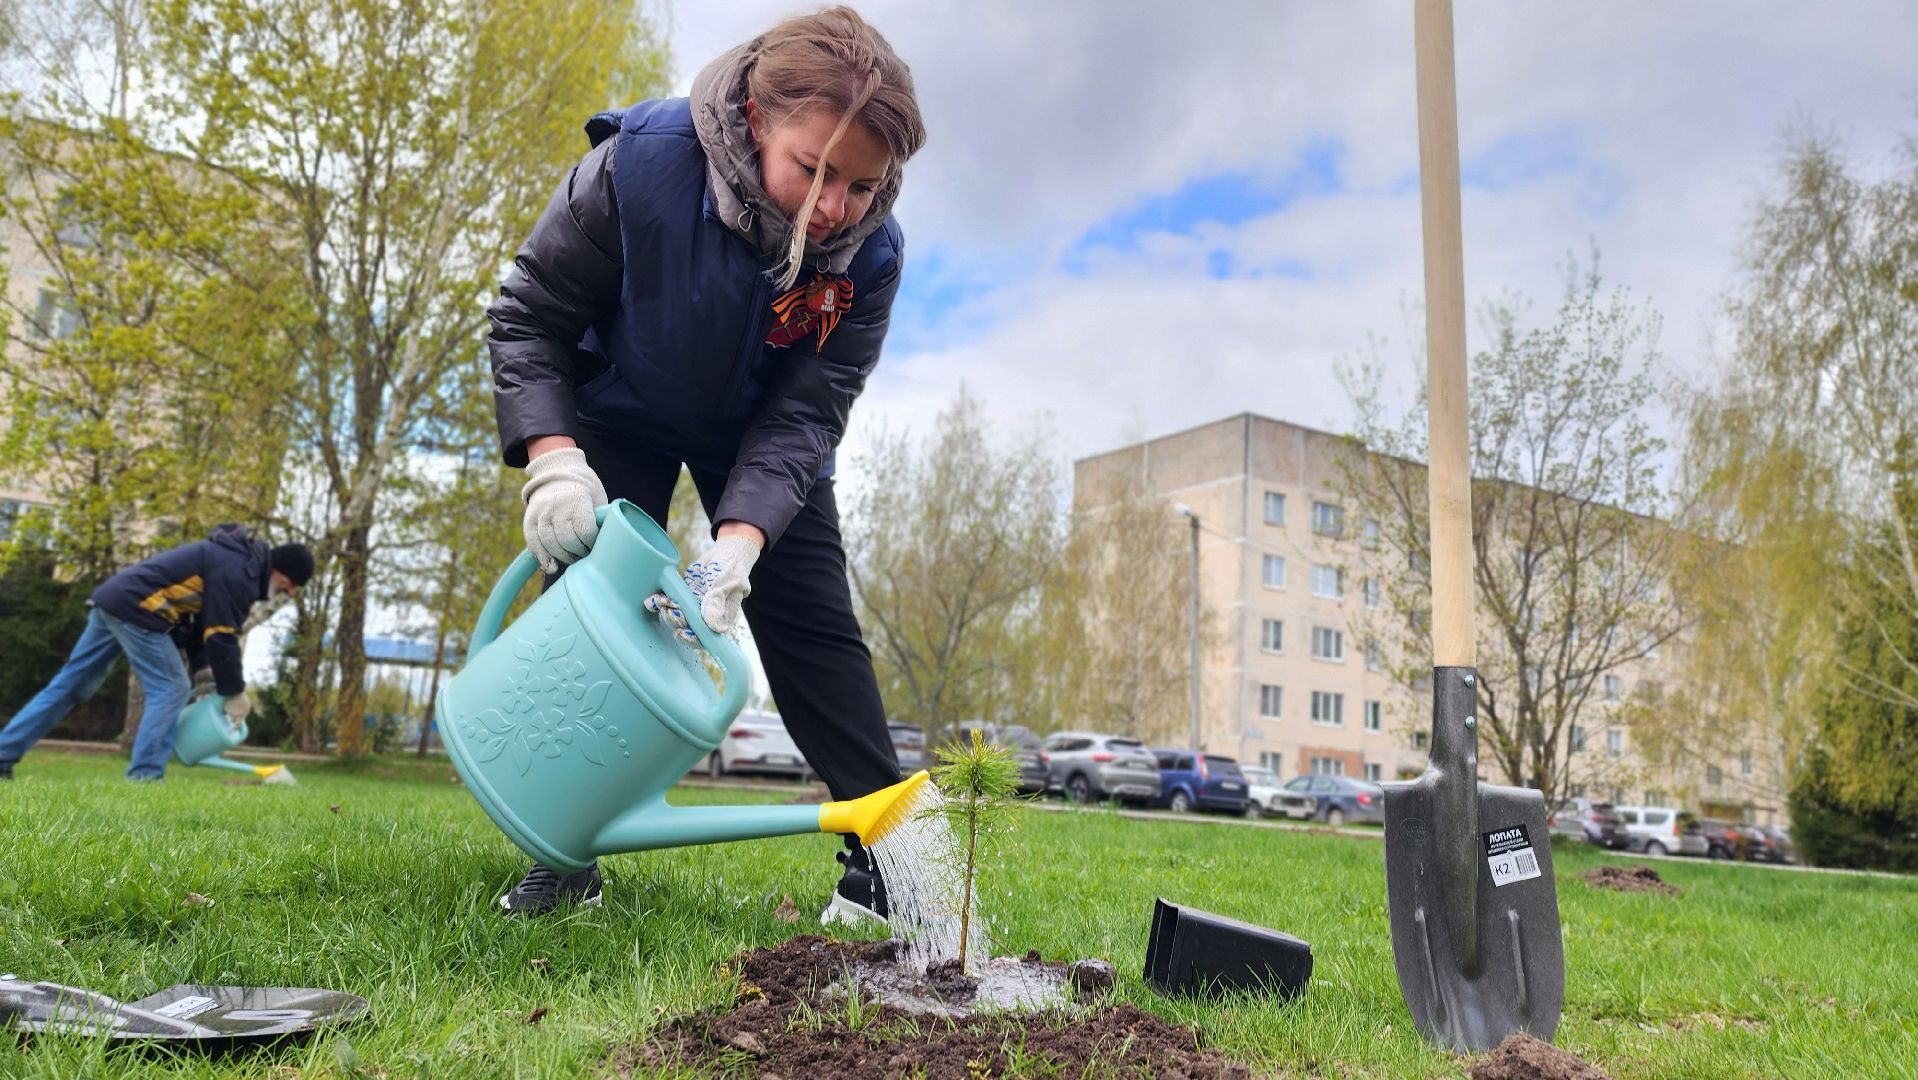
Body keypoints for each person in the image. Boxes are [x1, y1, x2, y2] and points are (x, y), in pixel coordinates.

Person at [486, 5, 925, 923]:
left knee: (814, 626)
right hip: (621, 408)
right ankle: (566, 852)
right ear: (758, 120)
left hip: (760, 432)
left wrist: (741, 539)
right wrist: (554, 458)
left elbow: (809, 408)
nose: (833, 206)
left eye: (860, 184)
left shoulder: (870, 257)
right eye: (814, 171)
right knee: (585, 614)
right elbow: (531, 315)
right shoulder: (638, 165)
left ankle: (889, 870)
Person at [0, 525, 312, 781]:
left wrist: (204, 671)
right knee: (172, 687)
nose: (290, 591)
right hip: (140, 608)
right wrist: (234, 691)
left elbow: (200, 622)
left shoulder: (236, 561)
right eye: (292, 583)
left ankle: (3, 756)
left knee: (71, 686)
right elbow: (220, 634)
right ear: (279, 569)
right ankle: (145, 776)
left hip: (114, 599)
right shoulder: (238, 570)